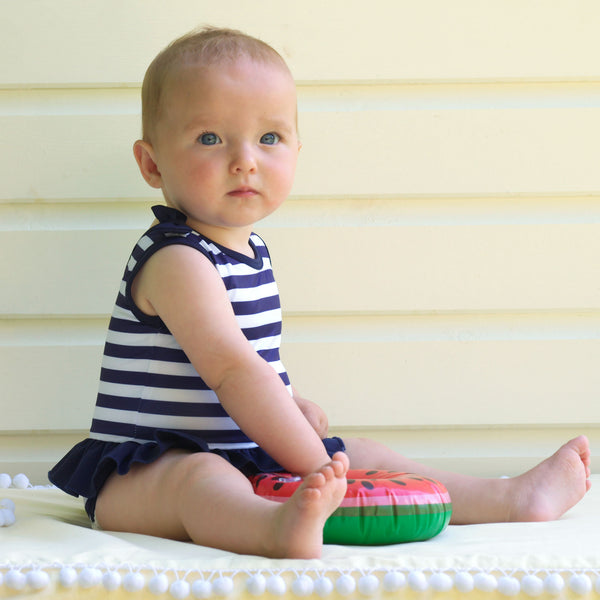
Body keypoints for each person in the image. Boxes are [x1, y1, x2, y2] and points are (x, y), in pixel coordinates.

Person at [49, 26, 591, 559]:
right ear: (151, 163)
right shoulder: (175, 259)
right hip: (142, 473)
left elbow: (252, 372)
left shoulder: (250, 251)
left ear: (297, 150)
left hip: (245, 455)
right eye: (210, 138)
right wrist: (314, 462)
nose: (246, 159)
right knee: (200, 476)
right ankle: (274, 529)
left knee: (364, 453)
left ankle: (510, 497)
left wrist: (293, 411)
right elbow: (235, 372)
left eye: (269, 138)